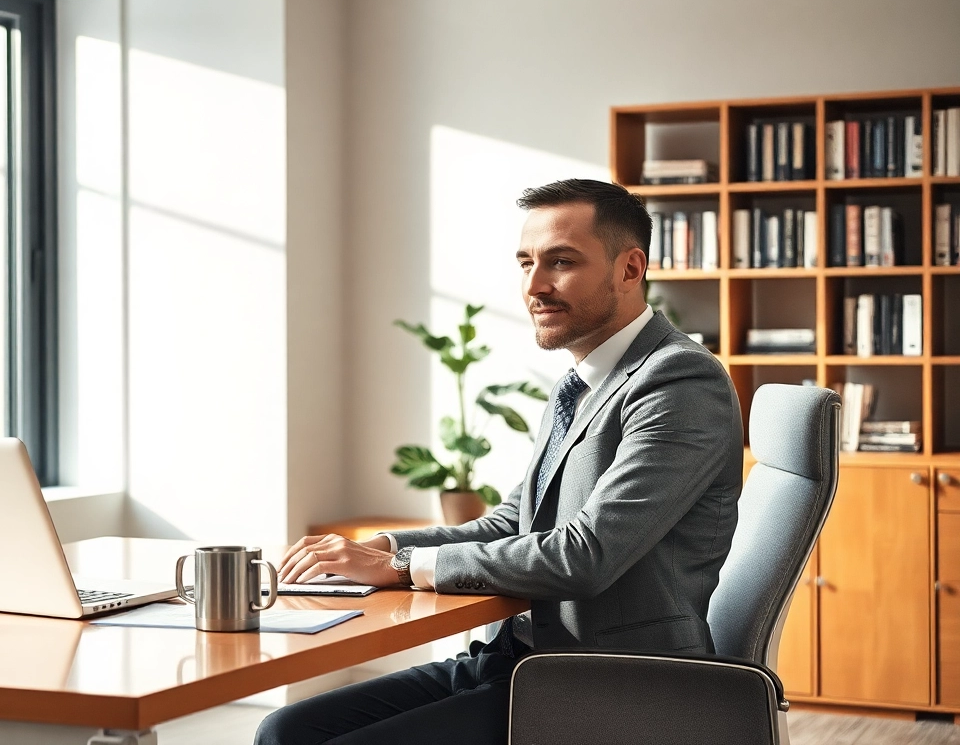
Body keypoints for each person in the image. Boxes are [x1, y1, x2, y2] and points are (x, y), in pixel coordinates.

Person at [255, 179, 744, 745]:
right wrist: (382, 549)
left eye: (561, 262)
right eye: (526, 262)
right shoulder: (583, 381)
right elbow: (509, 524)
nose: (534, 286)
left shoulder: (679, 381)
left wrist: (401, 567)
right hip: (518, 656)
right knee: (288, 729)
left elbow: (585, 557)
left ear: (630, 269)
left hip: (606, 681)